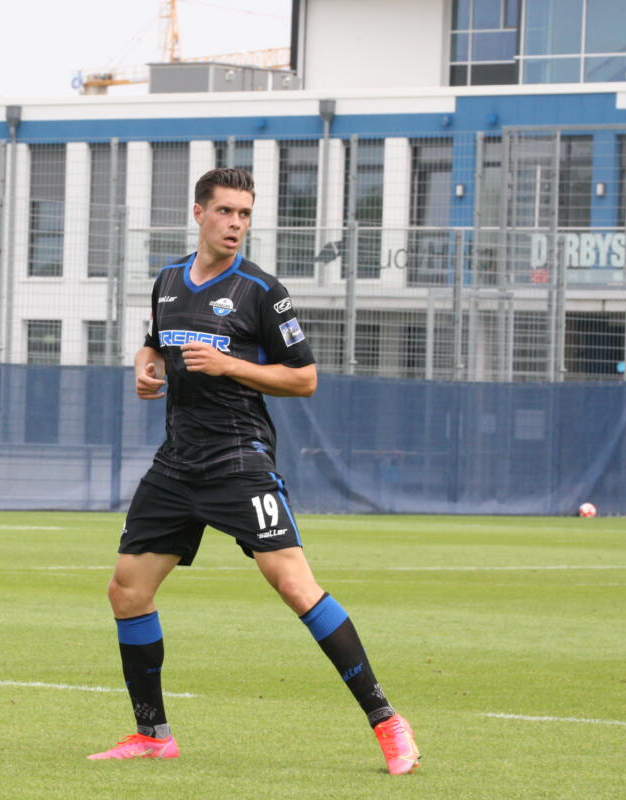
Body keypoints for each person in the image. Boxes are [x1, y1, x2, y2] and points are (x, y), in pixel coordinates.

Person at [86, 168, 419, 775]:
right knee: (126, 591)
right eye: (226, 212)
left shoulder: (262, 291)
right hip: (177, 462)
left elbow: (305, 379)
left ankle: (388, 723)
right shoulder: (167, 280)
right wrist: (144, 366)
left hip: (239, 460)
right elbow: (153, 342)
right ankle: (153, 733)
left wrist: (228, 365)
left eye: (245, 214)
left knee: (295, 586)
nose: (237, 224)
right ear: (199, 213)